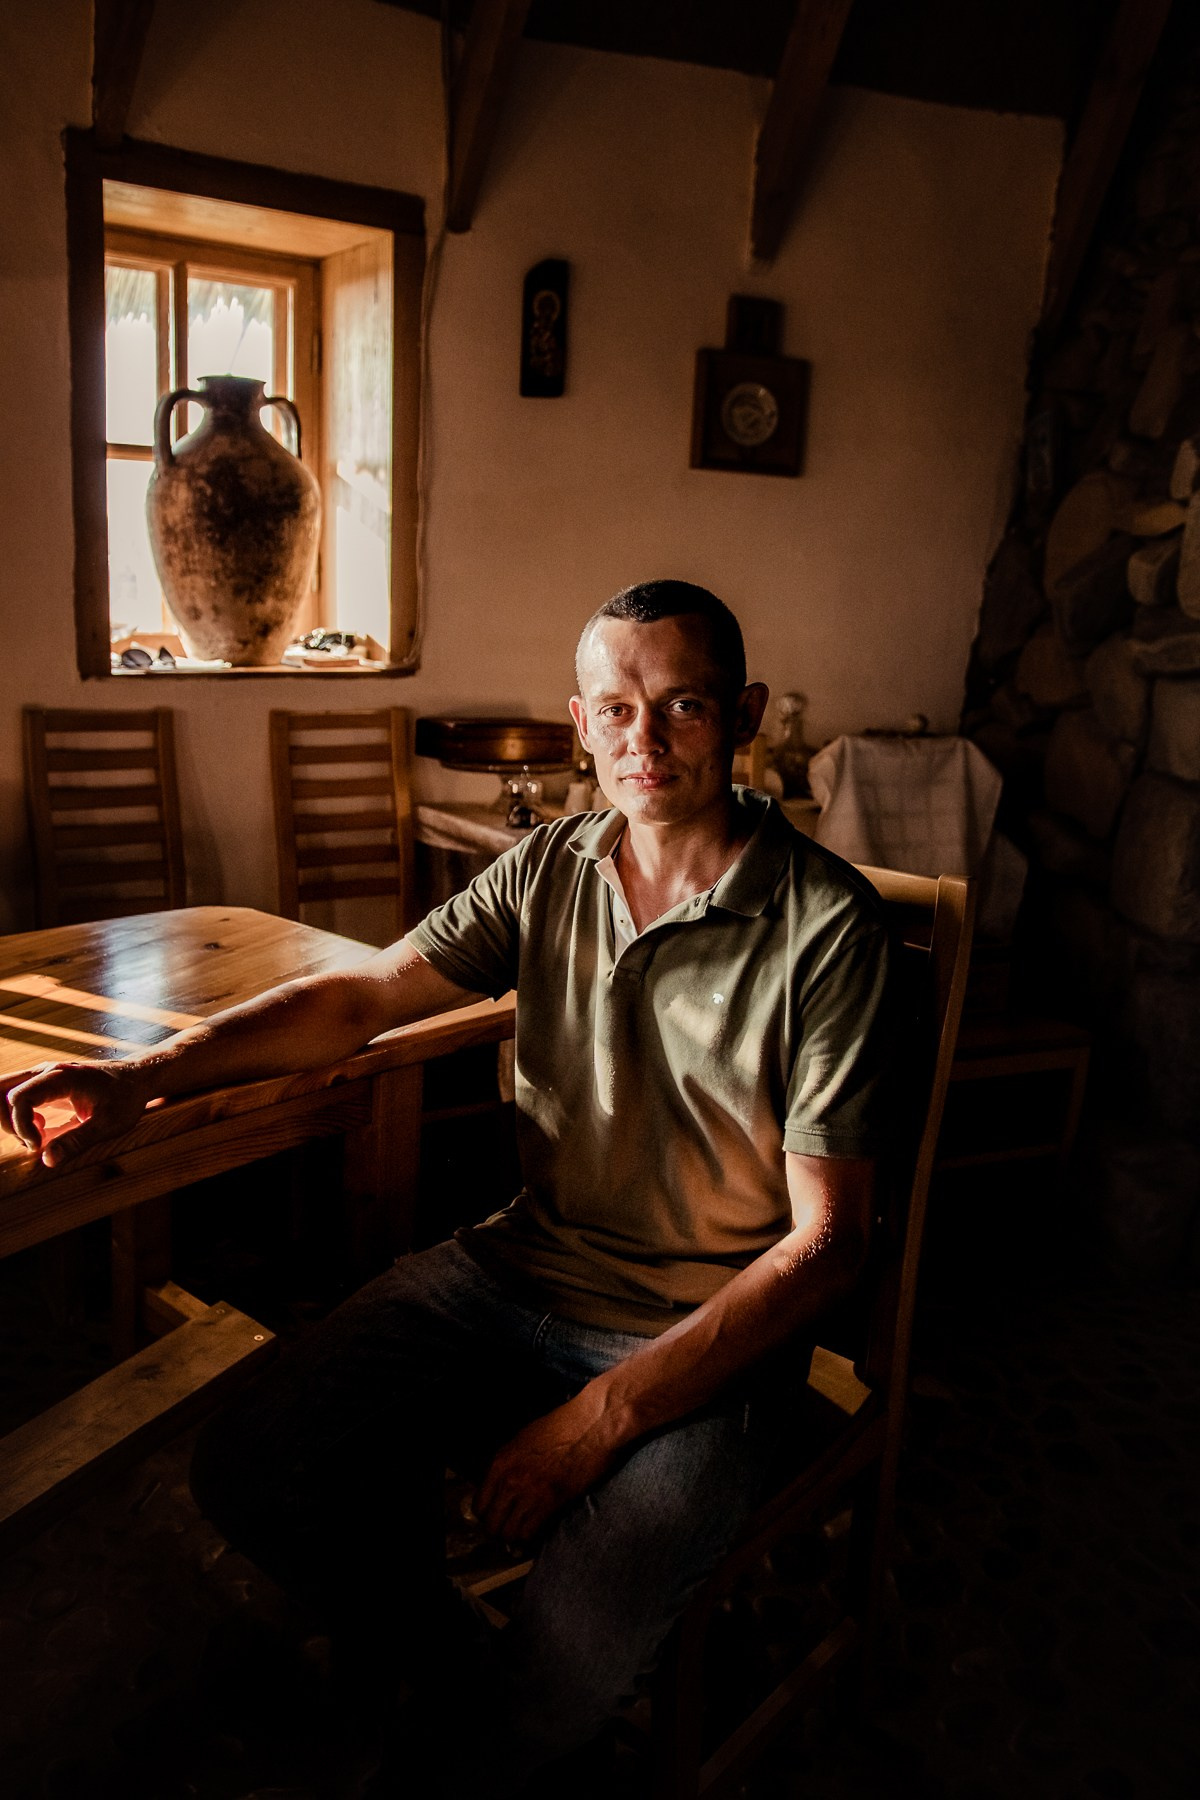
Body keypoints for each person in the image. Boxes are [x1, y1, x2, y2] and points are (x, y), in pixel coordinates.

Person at [1, 581, 894, 1797]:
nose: (646, 740)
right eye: (618, 709)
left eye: (682, 705)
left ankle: (495, 1721)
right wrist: (139, 1079)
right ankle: (468, 1680)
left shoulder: (824, 922)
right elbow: (366, 998)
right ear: (580, 723)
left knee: (575, 1642)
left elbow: (831, 1246)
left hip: (702, 1337)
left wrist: (594, 1426)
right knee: (255, 1459)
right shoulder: (550, 868)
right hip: (523, 1269)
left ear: (737, 714)